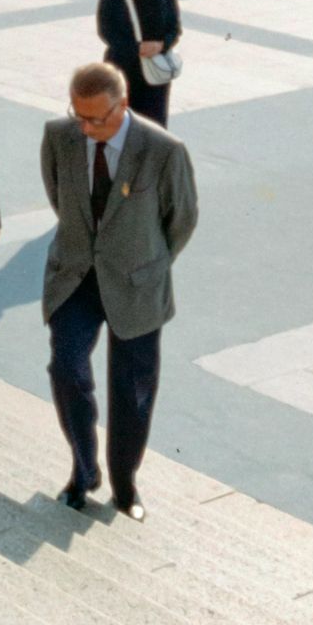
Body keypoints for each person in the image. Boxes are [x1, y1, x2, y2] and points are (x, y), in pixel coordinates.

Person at [39, 62, 197, 523]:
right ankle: (84, 469)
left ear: (123, 105)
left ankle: (125, 484)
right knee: (66, 367)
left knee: (132, 391)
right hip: (75, 275)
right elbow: (60, 198)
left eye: (97, 120)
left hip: (137, 282)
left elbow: (181, 219)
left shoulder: (163, 150)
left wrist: (146, 262)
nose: (86, 129)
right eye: (79, 117)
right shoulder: (58, 136)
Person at [96, 0, 182, 127]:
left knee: (154, 123)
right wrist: (137, 48)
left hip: (154, 71)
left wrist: (161, 45)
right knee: (121, 120)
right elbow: (106, 32)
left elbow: (174, 30)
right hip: (123, 67)